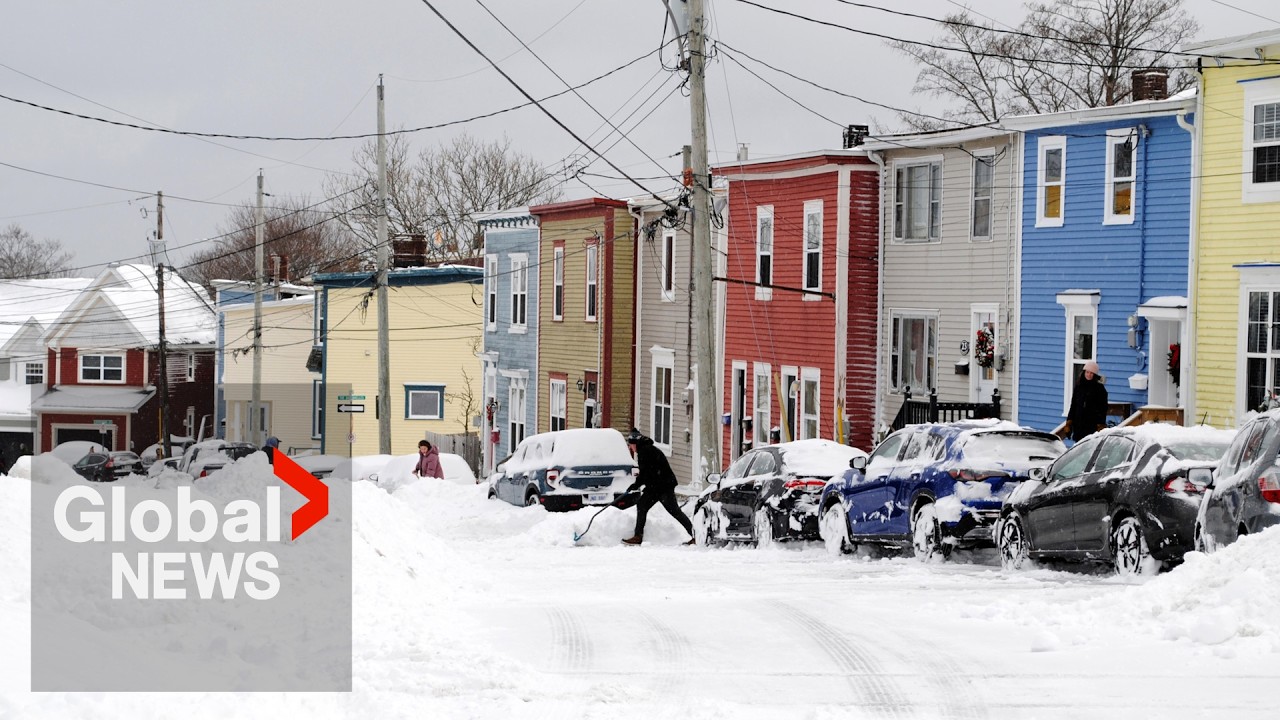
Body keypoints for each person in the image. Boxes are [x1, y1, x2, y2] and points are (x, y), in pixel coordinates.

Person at [621, 428, 696, 546]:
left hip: (663, 486)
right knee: (642, 505)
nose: (630, 448)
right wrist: (637, 484)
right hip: (656, 486)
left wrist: (636, 485)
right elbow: (647, 473)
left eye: (630, 445)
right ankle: (637, 536)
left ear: (634, 443)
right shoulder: (645, 449)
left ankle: (696, 535)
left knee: (674, 511)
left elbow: (645, 473)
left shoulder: (645, 451)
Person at [1067, 360, 1108, 442]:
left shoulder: (1099, 389)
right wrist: (1069, 422)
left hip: (1092, 425)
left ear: (1095, 375)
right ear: (1084, 372)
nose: (1089, 375)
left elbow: (1103, 408)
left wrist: (1100, 424)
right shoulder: (1079, 387)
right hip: (1078, 425)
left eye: (1091, 373)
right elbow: (1073, 405)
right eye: (1087, 372)